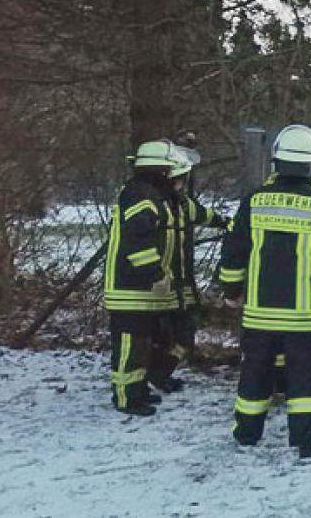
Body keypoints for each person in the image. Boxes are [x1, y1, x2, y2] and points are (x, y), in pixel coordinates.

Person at [219, 124, 311, 457]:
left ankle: (247, 434)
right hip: (302, 315)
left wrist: (231, 288)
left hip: (259, 313)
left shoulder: (254, 201)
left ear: (277, 161)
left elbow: (234, 249)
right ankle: (306, 442)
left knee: (254, 371)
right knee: (304, 379)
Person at [103, 140, 184, 416]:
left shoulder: (152, 196)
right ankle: (126, 398)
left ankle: (137, 391)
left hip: (140, 290)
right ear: (162, 171)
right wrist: (156, 275)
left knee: (141, 344)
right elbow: (137, 241)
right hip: (131, 288)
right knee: (130, 345)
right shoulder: (142, 197)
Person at [150, 140, 229, 393]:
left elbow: (206, 216)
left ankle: (160, 373)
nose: (183, 183)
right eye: (181, 178)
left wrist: (231, 224)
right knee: (160, 336)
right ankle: (153, 375)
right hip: (159, 285)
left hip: (178, 286)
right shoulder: (155, 204)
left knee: (183, 334)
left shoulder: (182, 204)